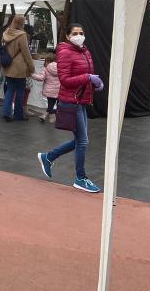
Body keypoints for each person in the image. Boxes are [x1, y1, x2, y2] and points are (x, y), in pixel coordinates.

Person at [37, 23, 103, 194]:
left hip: (81, 101)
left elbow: (84, 76)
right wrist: (88, 78)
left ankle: (48, 157)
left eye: (81, 32)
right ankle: (80, 178)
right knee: (82, 141)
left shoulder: (84, 51)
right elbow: (65, 80)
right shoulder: (65, 52)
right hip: (71, 101)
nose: (79, 36)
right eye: (75, 33)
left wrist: (94, 83)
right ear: (67, 36)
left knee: (81, 140)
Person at [1, 15, 35, 122]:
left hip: (8, 65)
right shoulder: (22, 35)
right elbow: (26, 53)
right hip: (19, 67)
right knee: (20, 91)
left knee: (10, 90)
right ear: (21, 23)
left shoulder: (6, 32)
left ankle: (6, 112)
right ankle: (18, 114)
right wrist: (31, 67)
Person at [31, 54, 59, 123]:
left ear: (47, 61)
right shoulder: (59, 69)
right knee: (52, 104)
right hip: (57, 90)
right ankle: (45, 115)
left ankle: (52, 117)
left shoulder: (45, 69)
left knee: (50, 105)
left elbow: (41, 78)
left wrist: (32, 75)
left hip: (49, 91)